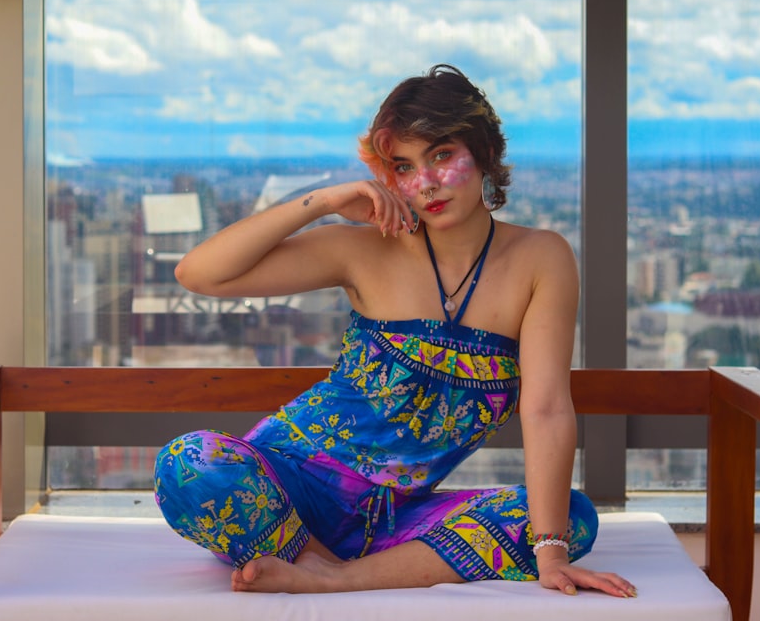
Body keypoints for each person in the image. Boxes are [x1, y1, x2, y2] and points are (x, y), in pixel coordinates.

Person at [154, 64, 636, 599]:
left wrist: (550, 555)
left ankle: (333, 576)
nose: (425, 183)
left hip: (396, 521)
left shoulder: (541, 258)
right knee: (190, 463)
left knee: (569, 519)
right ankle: (309, 559)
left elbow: (545, 406)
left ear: (484, 153)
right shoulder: (365, 251)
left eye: (441, 155)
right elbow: (198, 273)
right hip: (281, 495)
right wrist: (329, 201)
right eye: (403, 167)